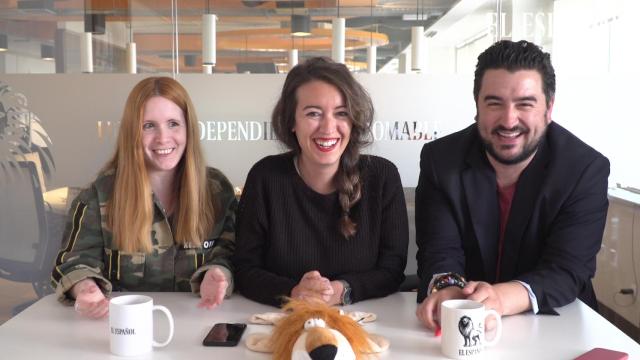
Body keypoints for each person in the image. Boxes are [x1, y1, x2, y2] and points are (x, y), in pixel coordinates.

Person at [415, 40, 610, 329]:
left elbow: (568, 269)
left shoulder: (584, 169)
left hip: (553, 322)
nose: (508, 120)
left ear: (549, 108)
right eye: (494, 103)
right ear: (477, 105)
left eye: (525, 104)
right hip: (463, 321)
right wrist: (449, 289)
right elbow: (439, 250)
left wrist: (501, 299)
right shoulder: (440, 160)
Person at [51, 77, 236, 318]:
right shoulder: (99, 194)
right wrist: (84, 287)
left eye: (173, 124)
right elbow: (72, 262)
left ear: (188, 128)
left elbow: (233, 253)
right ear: (132, 132)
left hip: (199, 321)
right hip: (121, 328)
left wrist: (219, 273)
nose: (163, 138)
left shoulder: (217, 190)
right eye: (149, 125)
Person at [234, 57, 408, 307]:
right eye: (313, 113)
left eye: (341, 113)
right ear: (291, 121)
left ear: (354, 120)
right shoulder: (265, 177)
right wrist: (295, 292)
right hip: (281, 322)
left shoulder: (382, 177)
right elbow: (245, 269)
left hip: (365, 322)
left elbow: (392, 270)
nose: (328, 128)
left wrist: (339, 291)